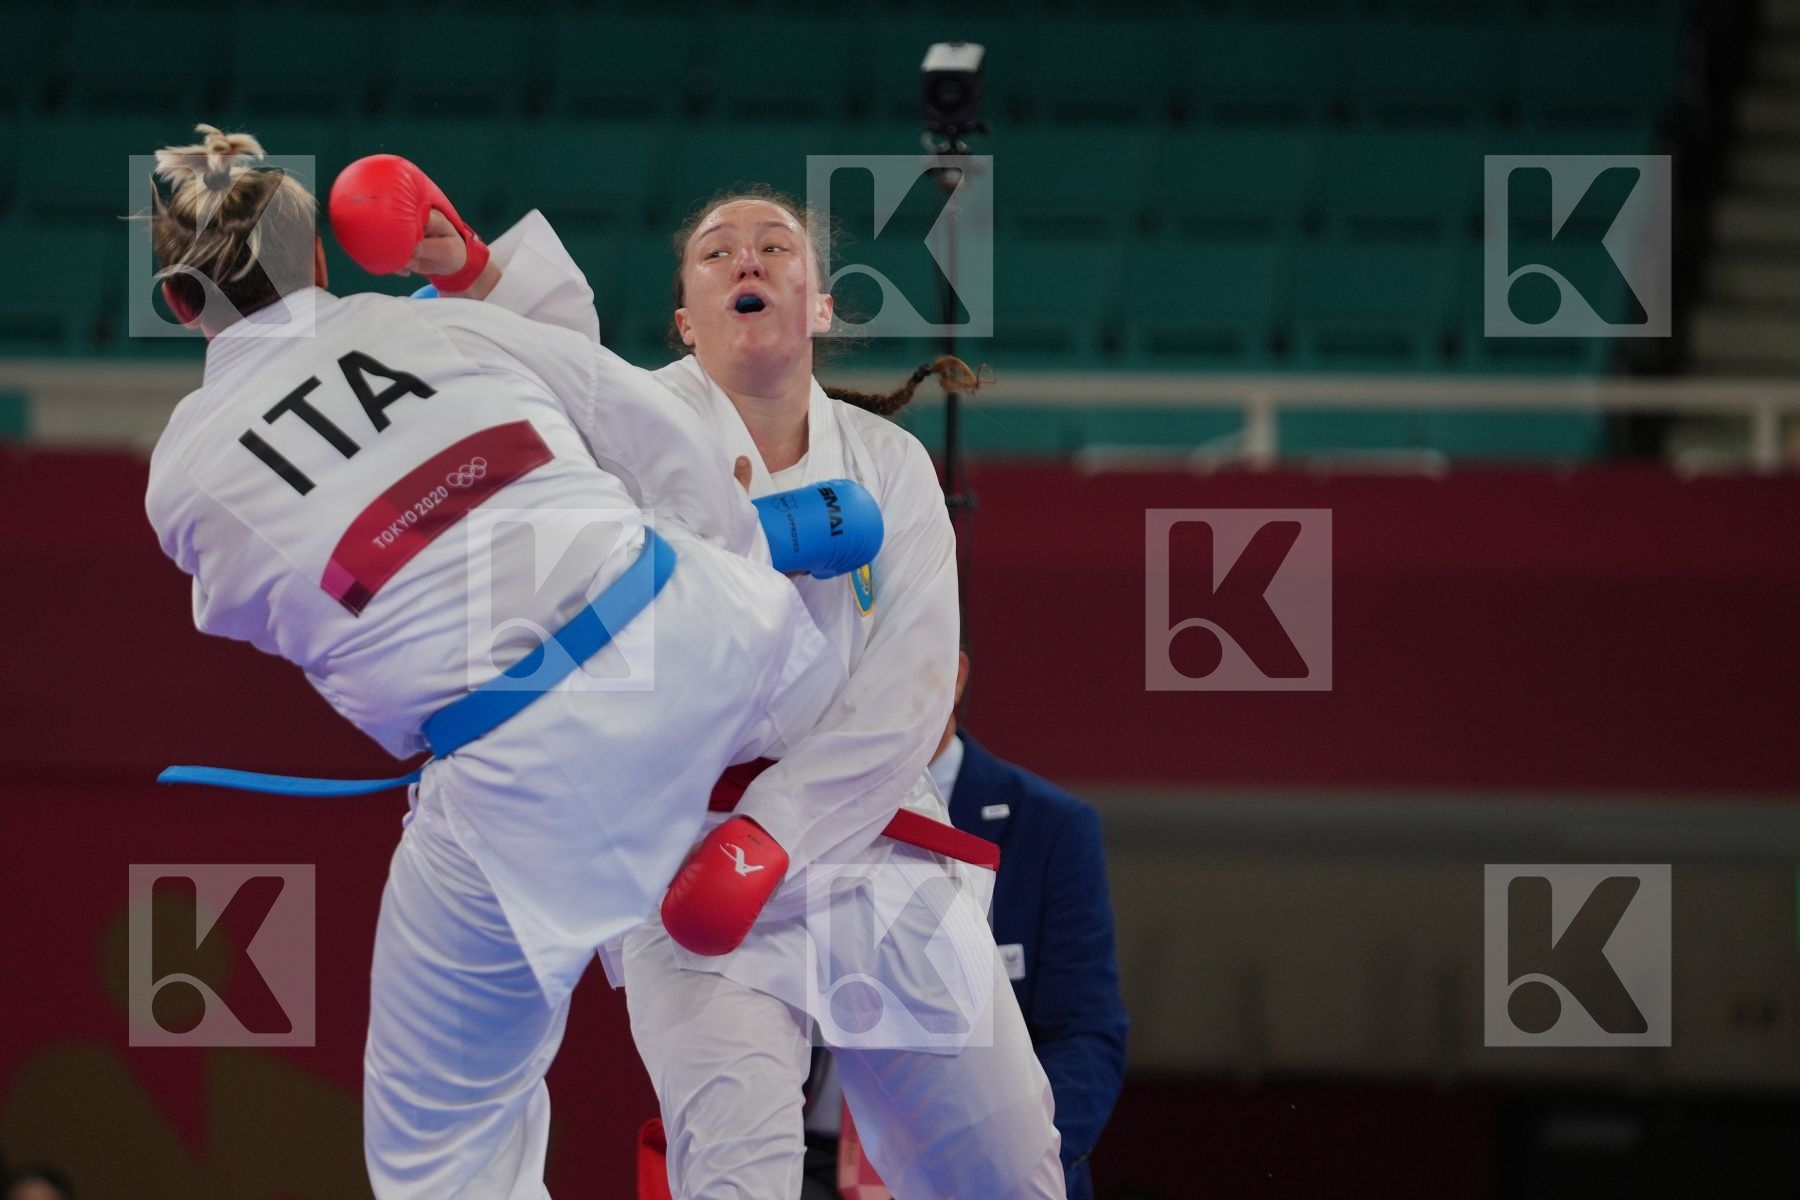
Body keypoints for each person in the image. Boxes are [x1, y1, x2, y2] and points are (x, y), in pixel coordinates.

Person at [141, 125, 880, 1199]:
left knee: (442, 1147)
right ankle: (785, 560)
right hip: (719, 638)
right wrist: (468, 274)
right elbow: (629, 415)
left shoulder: (182, 479)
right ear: (319, 263)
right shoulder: (422, 326)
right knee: (725, 550)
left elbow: (268, 611)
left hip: (527, 771)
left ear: (176, 301)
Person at [362, 159, 1066, 1197]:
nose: (750, 257)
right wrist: (474, 273)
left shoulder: (888, 464)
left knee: (1005, 1169)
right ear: (686, 319)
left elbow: (907, 697)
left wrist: (771, 832)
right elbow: (550, 381)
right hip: (683, 857)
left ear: (818, 305)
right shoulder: (623, 432)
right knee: (735, 1177)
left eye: (777, 247)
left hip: (867, 844)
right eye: (718, 251)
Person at [801, 652, 1129, 1200]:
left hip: (976, 1172)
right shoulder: (793, 811)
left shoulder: (1050, 828)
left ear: (952, 675)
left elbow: (1083, 1034)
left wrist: (1020, 1163)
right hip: (809, 1165)